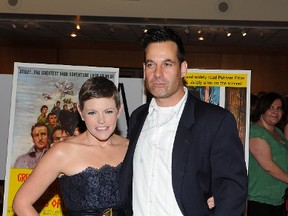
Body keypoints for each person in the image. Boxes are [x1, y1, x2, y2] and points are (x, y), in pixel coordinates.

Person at [119, 27, 248, 216]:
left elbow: (233, 188)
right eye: (151, 64)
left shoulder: (214, 120)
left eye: (167, 64)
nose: (158, 73)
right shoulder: (138, 117)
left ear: (183, 69)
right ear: (144, 69)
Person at [13, 77, 128, 215]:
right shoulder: (62, 152)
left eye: (108, 111)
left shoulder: (130, 148)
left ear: (119, 110)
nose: (101, 120)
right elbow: (21, 203)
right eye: (92, 112)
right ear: (81, 113)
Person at [248, 92, 288, 216]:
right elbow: (268, 166)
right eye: (271, 107)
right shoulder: (255, 132)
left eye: (279, 108)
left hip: (277, 199)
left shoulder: (277, 131)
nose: (275, 112)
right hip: (260, 201)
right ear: (262, 109)